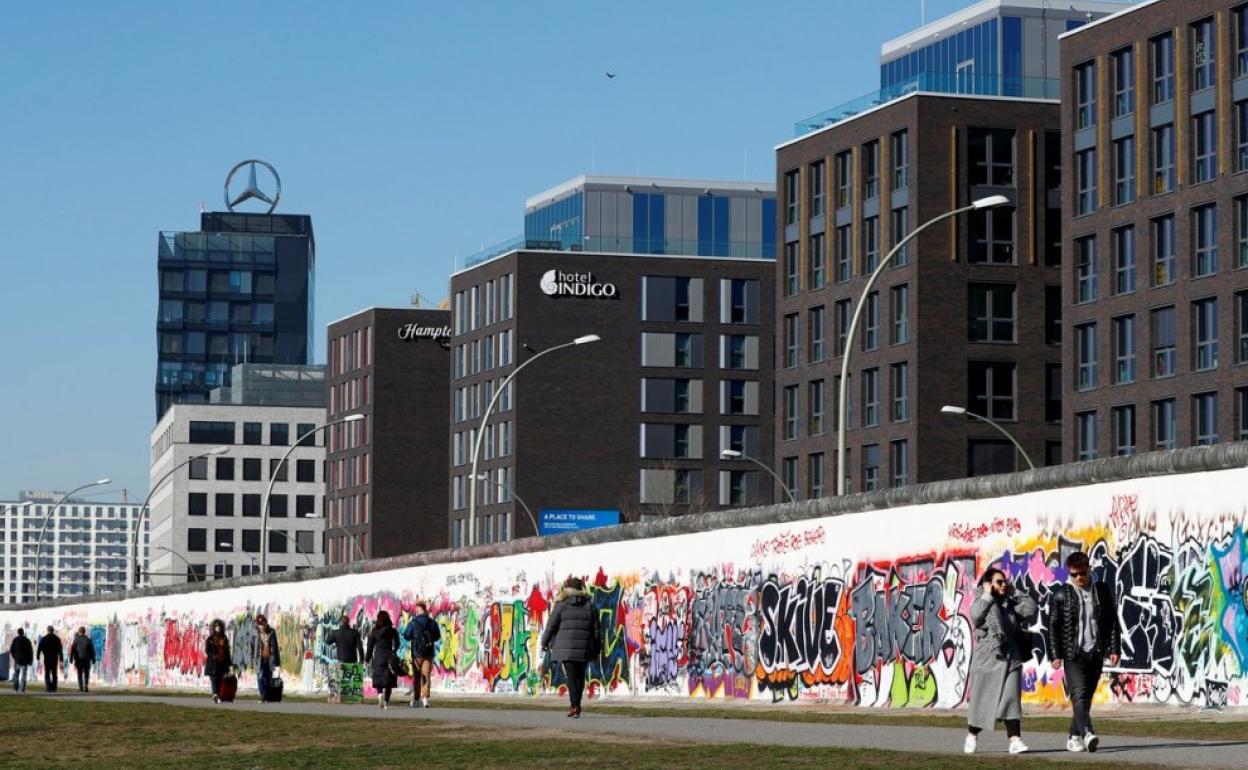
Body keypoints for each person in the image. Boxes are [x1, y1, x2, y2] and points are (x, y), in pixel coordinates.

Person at [1049, 551, 1120, 753]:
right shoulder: (1061, 594)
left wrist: (1114, 648)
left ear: (1089, 569)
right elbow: (1053, 626)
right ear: (1069, 574)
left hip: (1095, 653)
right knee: (1078, 695)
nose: (1079, 578)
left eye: (1082, 573)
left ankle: (1073, 736)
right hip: (1074, 654)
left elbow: (1112, 621)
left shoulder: (1101, 591)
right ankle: (1088, 733)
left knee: (1086, 698)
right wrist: (1055, 654)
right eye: (1074, 574)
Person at [965, 567, 1038, 755]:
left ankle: (1015, 741)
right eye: (999, 582)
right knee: (983, 702)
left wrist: (1014, 591)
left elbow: (1031, 607)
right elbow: (975, 616)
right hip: (988, 659)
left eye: (1005, 581)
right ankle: (972, 735)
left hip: (1011, 658)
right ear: (988, 584)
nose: (1003, 584)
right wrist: (988, 595)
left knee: (1011, 700)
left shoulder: (1009, 605)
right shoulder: (981, 602)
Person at [540, 576, 601, 718]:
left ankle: (575, 706)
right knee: (580, 677)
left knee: (572, 677)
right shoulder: (590, 606)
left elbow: (551, 626)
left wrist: (544, 642)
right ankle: (577, 705)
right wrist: (597, 649)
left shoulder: (561, 605)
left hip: (566, 649)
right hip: (584, 648)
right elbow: (597, 631)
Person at [402, 602, 441, 708]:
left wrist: (414, 638)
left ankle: (416, 700)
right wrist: (429, 639)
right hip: (428, 653)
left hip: (416, 653)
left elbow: (406, 636)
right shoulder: (432, 623)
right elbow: (437, 636)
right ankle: (425, 699)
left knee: (418, 676)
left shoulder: (413, 623)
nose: (415, 611)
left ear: (418, 610)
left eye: (416, 610)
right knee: (426, 675)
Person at [365, 609, 401, 710]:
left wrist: (367, 659)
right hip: (389, 656)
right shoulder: (392, 631)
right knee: (389, 680)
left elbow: (370, 647)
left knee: (378, 678)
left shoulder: (374, 632)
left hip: (378, 657)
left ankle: (380, 695)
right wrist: (394, 651)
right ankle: (386, 703)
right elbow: (398, 643)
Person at [326, 614, 364, 703]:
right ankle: (351, 697)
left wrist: (331, 633)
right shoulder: (354, 632)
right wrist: (361, 659)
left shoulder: (336, 632)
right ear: (348, 622)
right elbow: (360, 647)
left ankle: (339, 696)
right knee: (350, 679)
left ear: (340, 622)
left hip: (341, 659)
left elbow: (328, 641)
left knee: (340, 678)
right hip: (352, 658)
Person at [252, 614, 281, 702]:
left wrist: (277, 661)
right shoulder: (255, 633)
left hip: (269, 659)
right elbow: (251, 646)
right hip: (259, 659)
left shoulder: (271, 632)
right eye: (260, 624)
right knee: (260, 677)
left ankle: (266, 696)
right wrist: (251, 659)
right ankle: (263, 695)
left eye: (263, 624)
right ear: (257, 625)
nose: (262, 626)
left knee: (268, 678)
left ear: (266, 624)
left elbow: (275, 647)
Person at [204, 619, 231, 703]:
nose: (218, 628)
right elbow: (207, 650)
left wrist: (229, 663)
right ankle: (215, 694)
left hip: (222, 662)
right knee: (214, 679)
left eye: (219, 626)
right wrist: (213, 654)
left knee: (220, 679)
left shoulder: (224, 638)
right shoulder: (210, 639)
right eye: (216, 627)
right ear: (214, 628)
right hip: (213, 663)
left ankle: (217, 695)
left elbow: (227, 651)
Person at [36, 626, 64, 693]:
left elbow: (39, 648)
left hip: (47, 658)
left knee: (47, 673)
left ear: (47, 630)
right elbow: (60, 650)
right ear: (53, 630)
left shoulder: (43, 639)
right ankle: (54, 688)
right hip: (54, 658)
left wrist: (38, 656)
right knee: (54, 673)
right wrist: (61, 659)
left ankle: (48, 688)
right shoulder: (57, 639)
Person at [70, 627, 96, 693]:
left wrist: (71, 658)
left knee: (79, 673)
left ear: (79, 631)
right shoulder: (88, 640)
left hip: (79, 659)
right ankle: (86, 686)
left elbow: (72, 649)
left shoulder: (76, 639)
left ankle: (80, 687)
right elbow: (92, 651)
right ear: (85, 632)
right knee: (87, 673)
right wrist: (93, 659)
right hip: (87, 659)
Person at [9, 628, 34, 693]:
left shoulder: (15, 640)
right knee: (24, 675)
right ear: (23, 633)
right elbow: (30, 651)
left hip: (17, 660)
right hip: (25, 661)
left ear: (18, 632)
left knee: (16, 674)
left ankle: (15, 689)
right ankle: (22, 689)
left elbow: (11, 649)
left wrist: (15, 657)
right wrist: (30, 660)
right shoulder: (27, 640)